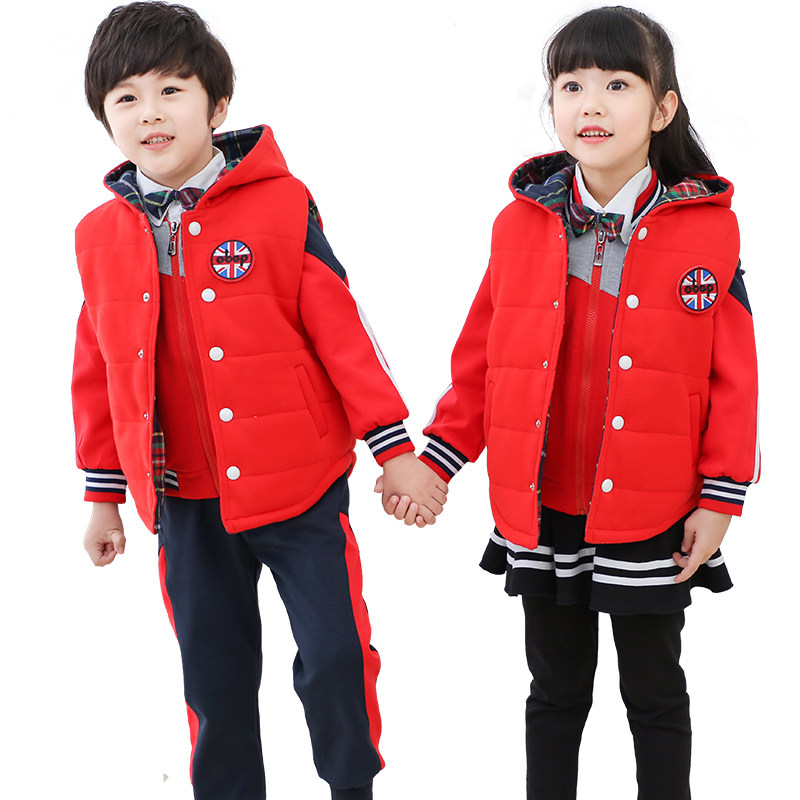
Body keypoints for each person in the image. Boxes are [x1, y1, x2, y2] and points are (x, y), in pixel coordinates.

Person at [381, 6, 759, 799]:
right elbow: (482, 361)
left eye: (618, 84)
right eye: (572, 85)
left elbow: (735, 381)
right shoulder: (519, 227)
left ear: (662, 108)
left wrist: (721, 498)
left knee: (654, 692)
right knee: (555, 692)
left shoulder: (710, 234)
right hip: (545, 504)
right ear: (551, 103)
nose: (592, 103)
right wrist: (437, 462)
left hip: (654, 506)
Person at [72, 3, 446, 799]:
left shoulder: (281, 204)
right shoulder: (98, 236)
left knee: (337, 655)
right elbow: (99, 370)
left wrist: (394, 449)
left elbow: (343, 332)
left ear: (217, 105)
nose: (149, 113)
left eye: (171, 90)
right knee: (213, 674)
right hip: (183, 499)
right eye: (126, 98)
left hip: (298, 485)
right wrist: (104, 497)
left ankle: (352, 785)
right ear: (105, 117)